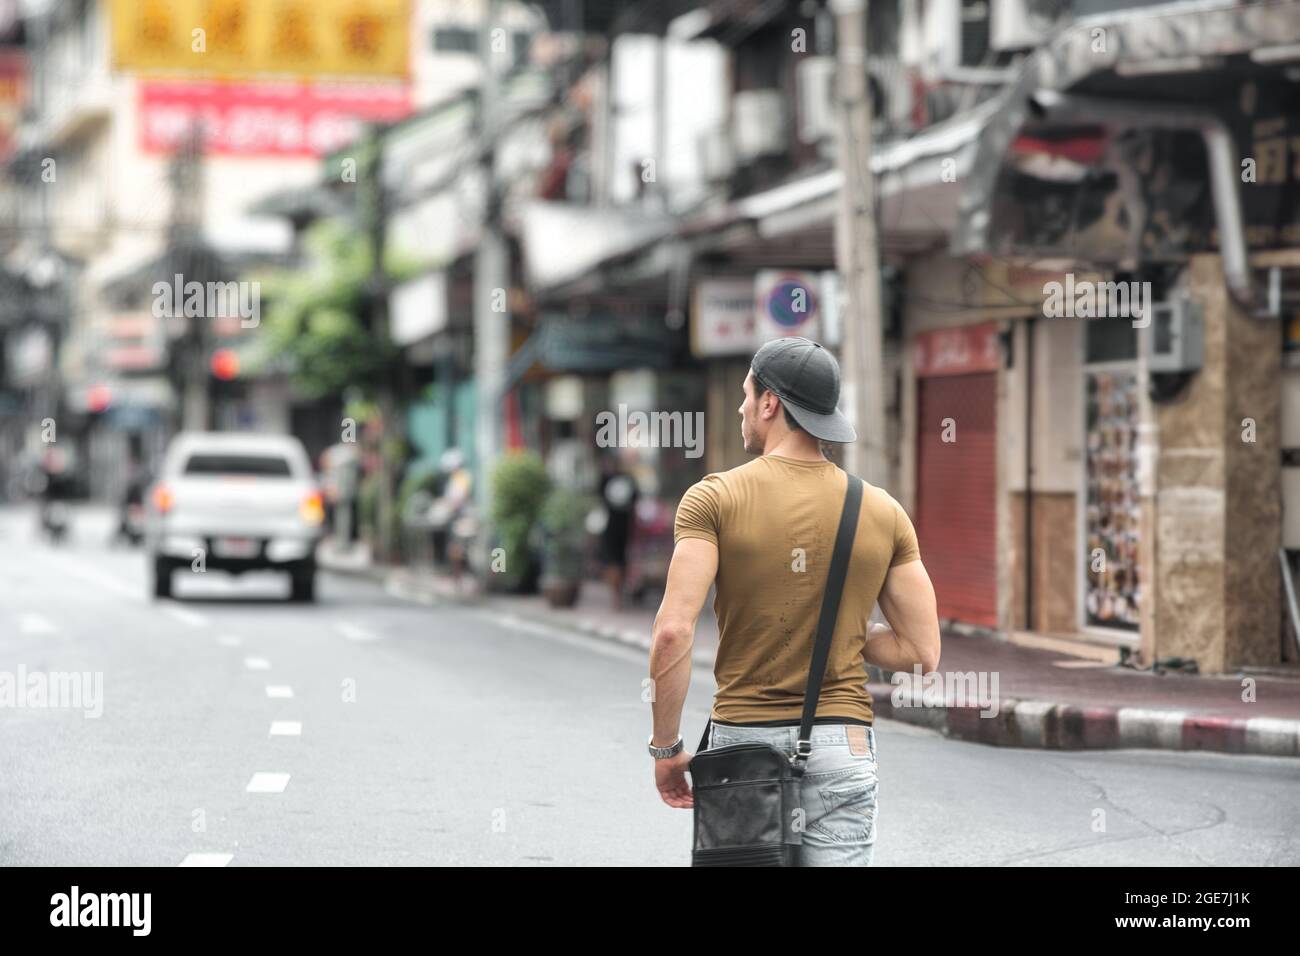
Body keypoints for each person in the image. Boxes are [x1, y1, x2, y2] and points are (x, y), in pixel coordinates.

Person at [646, 336, 941, 867]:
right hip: (842, 747)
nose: (740, 407)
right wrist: (849, 632)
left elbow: (673, 632)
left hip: (742, 749)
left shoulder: (714, 498)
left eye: (745, 394)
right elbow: (921, 652)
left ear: (769, 404)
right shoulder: (883, 511)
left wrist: (666, 749)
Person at [597, 452, 638, 611]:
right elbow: (635, 500)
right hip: (625, 526)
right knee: (620, 560)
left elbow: (600, 497)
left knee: (612, 561)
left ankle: (616, 596)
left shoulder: (606, 479)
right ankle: (618, 594)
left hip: (611, 525)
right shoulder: (628, 479)